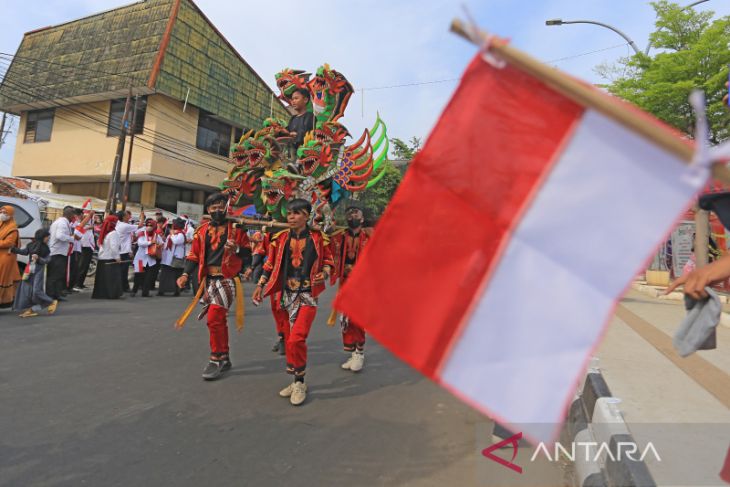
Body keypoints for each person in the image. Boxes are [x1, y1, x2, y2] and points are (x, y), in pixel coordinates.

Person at [252, 199, 334, 406]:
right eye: (289, 213)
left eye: (296, 213)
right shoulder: (279, 239)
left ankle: (299, 383)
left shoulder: (319, 238)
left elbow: (328, 261)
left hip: (307, 295)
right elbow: (269, 264)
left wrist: (324, 273)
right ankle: (298, 380)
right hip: (286, 295)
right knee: (289, 340)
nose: (291, 217)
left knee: (296, 339)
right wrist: (261, 284)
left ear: (307, 216)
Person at [176, 193, 252, 380]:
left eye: (220, 207)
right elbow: (193, 255)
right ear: (208, 210)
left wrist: (237, 251)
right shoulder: (201, 231)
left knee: (214, 318)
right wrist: (185, 274)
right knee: (218, 320)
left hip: (227, 279)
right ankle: (224, 356)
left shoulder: (237, 230)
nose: (217, 210)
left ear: (226, 207)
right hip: (208, 280)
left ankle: (215, 358)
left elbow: (247, 253)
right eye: (213, 208)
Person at [329, 206, 373, 372]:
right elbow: (326, 240)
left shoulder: (369, 235)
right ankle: (354, 352)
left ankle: (359, 353)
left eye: (356, 213)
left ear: (362, 219)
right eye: (349, 213)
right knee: (346, 318)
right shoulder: (340, 236)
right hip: (345, 281)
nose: (352, 215)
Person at [12, 229, 58, 317]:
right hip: (29, 269)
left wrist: (38, 258)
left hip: (39, 270)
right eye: (47, 237)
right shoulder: (31, 245)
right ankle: (31, 309)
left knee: (36, 290)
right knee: (26, 291)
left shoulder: (46, 249)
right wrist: (13, 249)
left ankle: (51, 302)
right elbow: (24, 252)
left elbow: (47, 260)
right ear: (42, 237)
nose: (48, 239)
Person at [47, 206, 78, 301]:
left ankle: (56, 294)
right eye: (73, 215)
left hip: (58, 251)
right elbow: (60, 236)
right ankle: (51, 295)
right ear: (70, 215)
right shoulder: (62, 223)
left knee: (59, 275)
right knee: (55, 275)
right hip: (57, 252)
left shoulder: (60, 222)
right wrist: (72, 238)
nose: (74, 217)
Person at [92, 215, 123, 300]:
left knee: (102, 278)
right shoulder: (113, 233)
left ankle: (101, 294)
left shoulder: (104, 232)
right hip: (110, 258)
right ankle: (111, 294)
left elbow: (99, 244)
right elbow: (114, 247)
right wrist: (117, 257)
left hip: (102, 258)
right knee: (111, 278)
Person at [132, 218, 163, 297]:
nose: (149, 227)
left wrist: (159, 246)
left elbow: (162, 243)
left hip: (151, 259)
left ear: (154, 226)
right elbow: (140, 243)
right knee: (138, 275)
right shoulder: (142, 234)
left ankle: (145, 293)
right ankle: (134, 291)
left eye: (151, 225)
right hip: (140, 259)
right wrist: (150, 242)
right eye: (147, 225)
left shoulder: (156, 235)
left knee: (148, 277)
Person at [158, 218, 186, 297]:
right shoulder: (173, 234)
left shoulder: (181, 234)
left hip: (175, 258)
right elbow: (167, 243)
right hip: (167, 257)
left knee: (176, 276)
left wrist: (172, 234)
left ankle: (176, 291)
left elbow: (176, 241)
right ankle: (162, 290)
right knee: (164, 275)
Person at [0, 205, 21, 308]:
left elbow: (9, 243)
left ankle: (3, 301)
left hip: (6, 257)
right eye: (1, 212)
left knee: (2, 278)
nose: (2, 214)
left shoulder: (13, 228)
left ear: (10, 215)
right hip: (1, 255)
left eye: (5, 213)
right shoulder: (1, 224)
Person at [115, 210, 139, 293]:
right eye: (128, 215)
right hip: (122, 252)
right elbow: (140, 226)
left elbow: (128, 240)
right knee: (123, 271)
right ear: (123, 217)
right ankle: (123, 288)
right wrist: (142, 217)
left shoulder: (119, 224)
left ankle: (124, 287)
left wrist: (130, 251)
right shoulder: (124, 226)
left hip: (123, 250)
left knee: (123, 271)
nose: (130, 216)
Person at [75, 216, 96, 289]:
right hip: (84, 246)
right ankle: (78, 283)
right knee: (82, 265)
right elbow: (78, 231)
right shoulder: (79, 224)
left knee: (86, 265)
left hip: (89, 247)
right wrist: (87, 228)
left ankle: (81, 283)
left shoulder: (90, 226)